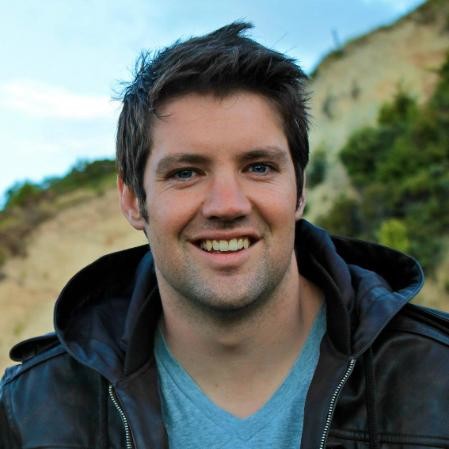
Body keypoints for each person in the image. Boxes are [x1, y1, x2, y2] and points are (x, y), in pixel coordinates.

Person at [1, 22, 448, 449]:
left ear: (300, 190)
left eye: (259, 167)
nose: (227, 205)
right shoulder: (28, 409)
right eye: (186, 172)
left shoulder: (436, 375)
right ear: (133, 199)